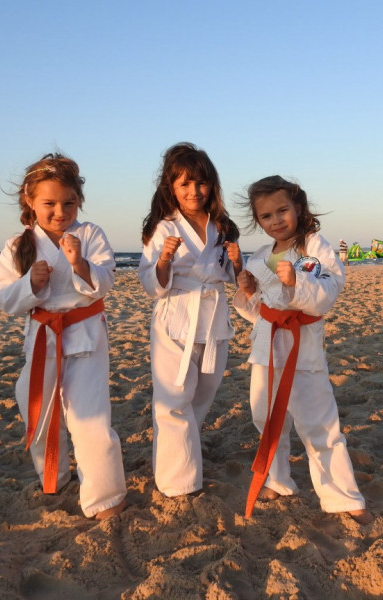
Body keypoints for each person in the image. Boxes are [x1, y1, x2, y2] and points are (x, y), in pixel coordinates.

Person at [0, 153, 127, 520]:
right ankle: (54, 476)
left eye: (69, 203)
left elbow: (105, 282)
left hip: (85, 336)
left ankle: (106, 496)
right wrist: (29, 285)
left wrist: (80, 264)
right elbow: (0, 295)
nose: (60, 212)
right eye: (49, 203)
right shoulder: (18, 245)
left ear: (79, 201)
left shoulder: (90, 234)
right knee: (38, 412)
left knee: (90, 418)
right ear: (30, 201)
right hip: (42, 337)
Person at [234, 175, 372, 526]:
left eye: (282, 210)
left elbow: (329, 290)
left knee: (318, 422)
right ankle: (278, 480)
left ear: (298, 207)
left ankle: (343, 496)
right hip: (267, 347)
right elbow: (260, 311)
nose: (276, 220)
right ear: (258, 221)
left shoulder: (314, 248)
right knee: (265, 417)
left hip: (302, 346)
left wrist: (298, 281)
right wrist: (248, 291)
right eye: (266, 216)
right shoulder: (260, 256)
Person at [138, 142, 242, 498]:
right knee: (174, 398)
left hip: (212, 319)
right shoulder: (163, 227)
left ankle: (181, 456)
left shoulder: (222, 227)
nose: (194, 191)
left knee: (203, 393)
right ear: (171, 187)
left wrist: (237, 261)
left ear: (212, 185)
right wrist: (164, 260)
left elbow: (233, 276)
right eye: (184, 184)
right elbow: (151, 283)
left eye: (201, 183)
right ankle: (177, 483)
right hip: (176, 316)